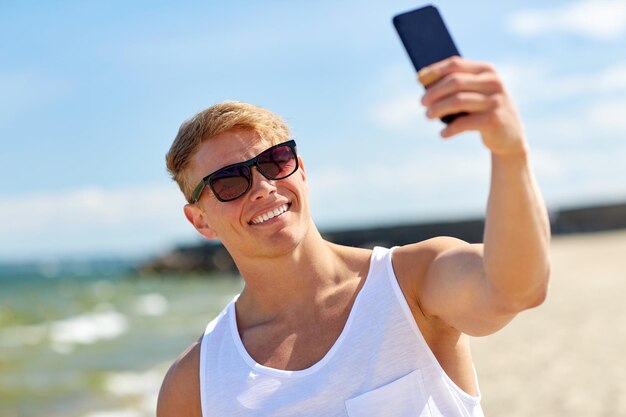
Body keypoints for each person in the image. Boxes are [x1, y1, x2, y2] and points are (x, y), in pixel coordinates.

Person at [157, 56, 550, 417]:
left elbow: (514, 289)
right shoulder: (195, 384)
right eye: (228, 182)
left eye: (274, 162)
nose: (262, 186)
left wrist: (510, 152)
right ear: (200, 221)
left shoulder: (410, 283)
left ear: (301, 172)